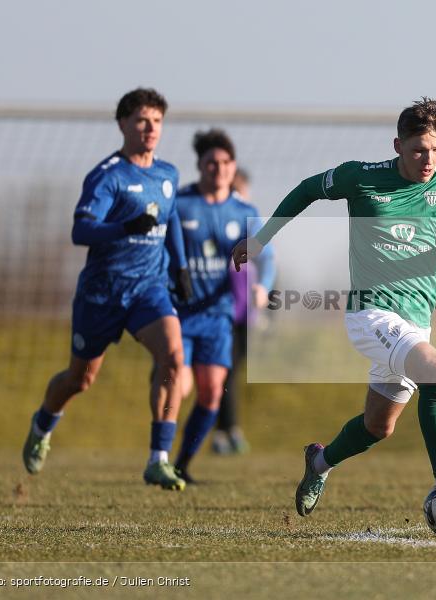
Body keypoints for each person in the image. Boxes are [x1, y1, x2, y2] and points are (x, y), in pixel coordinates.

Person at [231, 97, 436, 517]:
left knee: (379, 426)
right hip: (370, 314)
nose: (428, 159)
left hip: (415, 323)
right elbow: (306, 189)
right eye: (418, 150)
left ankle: (318, 462)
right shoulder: (361, 177)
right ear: (397, 145)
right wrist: (261, 239)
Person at [21, 88, 193, 490]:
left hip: (149, 290)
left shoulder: (167, 174)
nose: (150, 129)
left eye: (157, 121)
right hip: (102, 294)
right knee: (80, 380)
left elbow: (171, 222)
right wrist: (122, 228)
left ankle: (158, 459)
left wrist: (181, 268)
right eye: (141, 121)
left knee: (173, 357)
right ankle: (43, 423)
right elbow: (81, 230)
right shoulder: (107, 176)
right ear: (123, 125)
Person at [171, 132, 274, 483]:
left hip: (219, 317)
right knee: (178, 386)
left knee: (213, 391)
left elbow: (267, 254)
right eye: (212, 163)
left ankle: (181, 464)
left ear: (233, 167)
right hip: (179, 314)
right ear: (200, 166)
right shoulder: (181, 204)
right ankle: (158, 455)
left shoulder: (244, 211)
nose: (219, 169)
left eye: (226, 163)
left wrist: (263, 286)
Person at [210, 167, 272, 455]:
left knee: (230, 373)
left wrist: (264, 291)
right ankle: (227, 432)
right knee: (224, 372)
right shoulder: (216, 222)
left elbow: (268, 261)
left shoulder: (251, 221)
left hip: (247, 315)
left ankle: (223, 432)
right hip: (220, 315)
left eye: (241, 191)